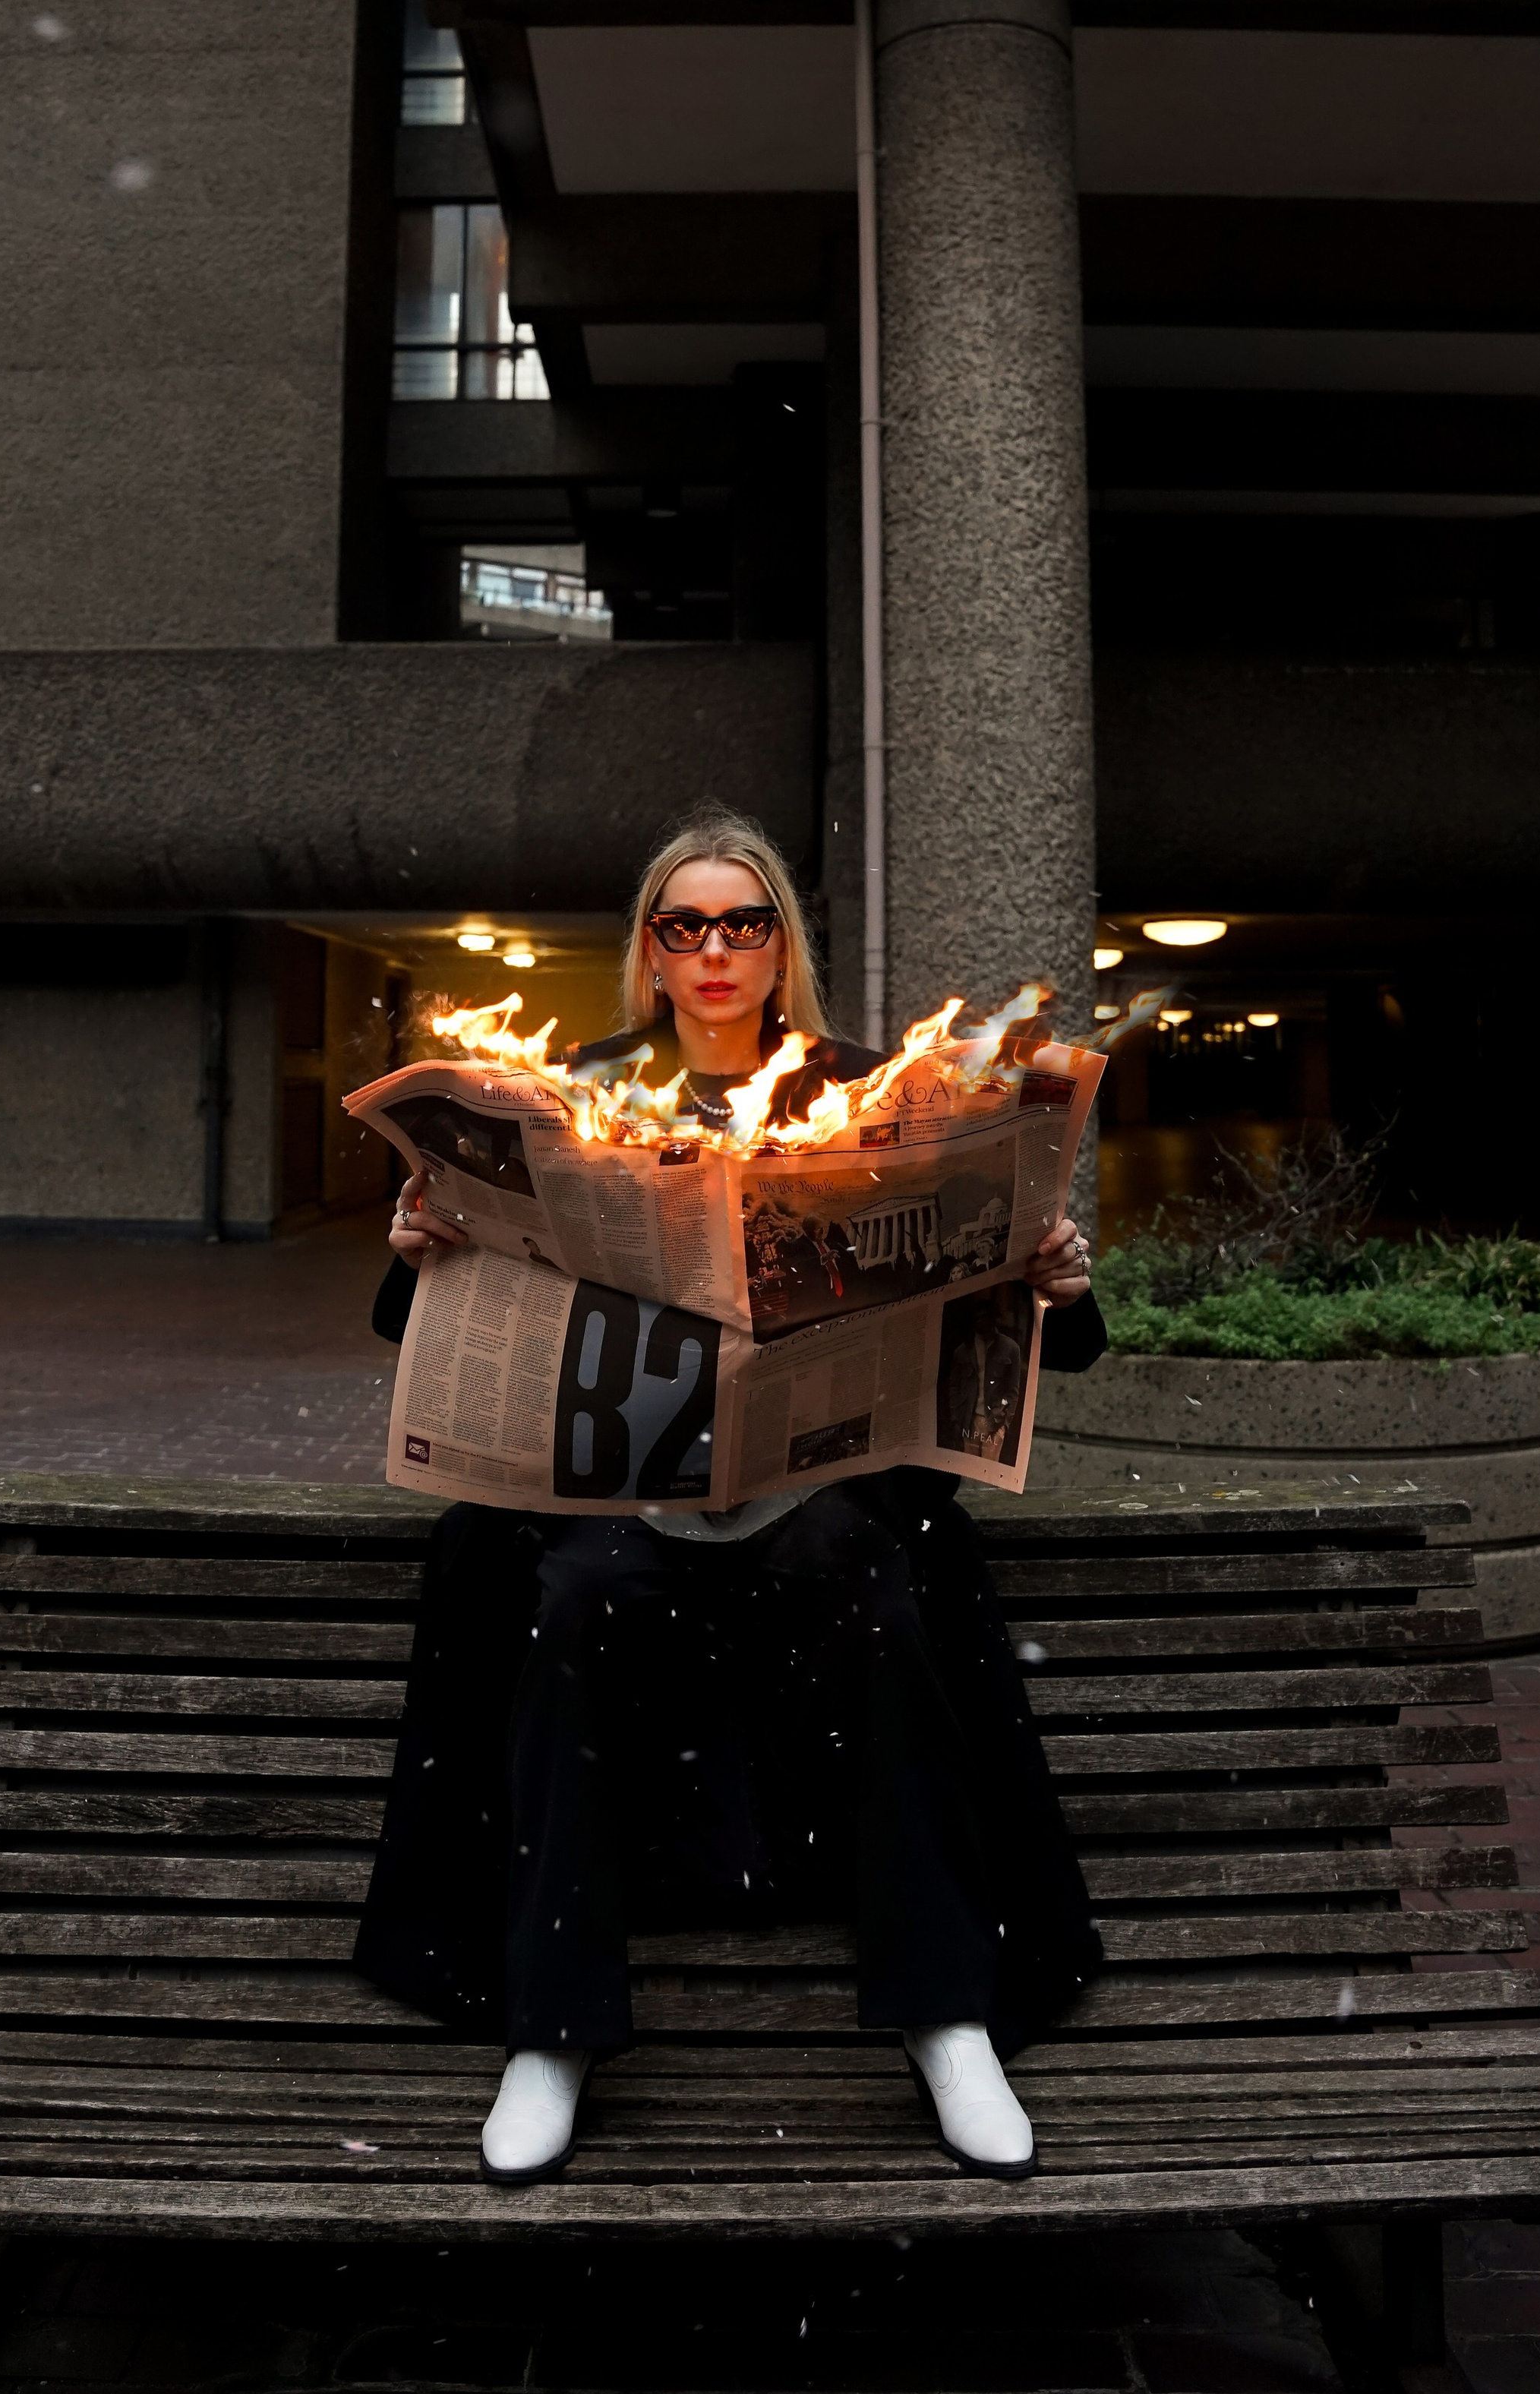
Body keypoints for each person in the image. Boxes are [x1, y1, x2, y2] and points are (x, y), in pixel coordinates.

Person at [355, 808, 1109, 2187]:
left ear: (780, 946)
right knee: (569, 1603)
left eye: (743, 922)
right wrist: (420, 1250)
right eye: (685, 924)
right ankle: (553, 2031)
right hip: (620, 1493)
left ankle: (947, 2017)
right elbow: (436, 1318)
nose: (715, 948)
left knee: (880, 1597)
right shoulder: (574, 1090)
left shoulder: (865, 1088)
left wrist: (1057, 1276)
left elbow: (1019, 1316)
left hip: (818, 1490)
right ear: (651, 949)